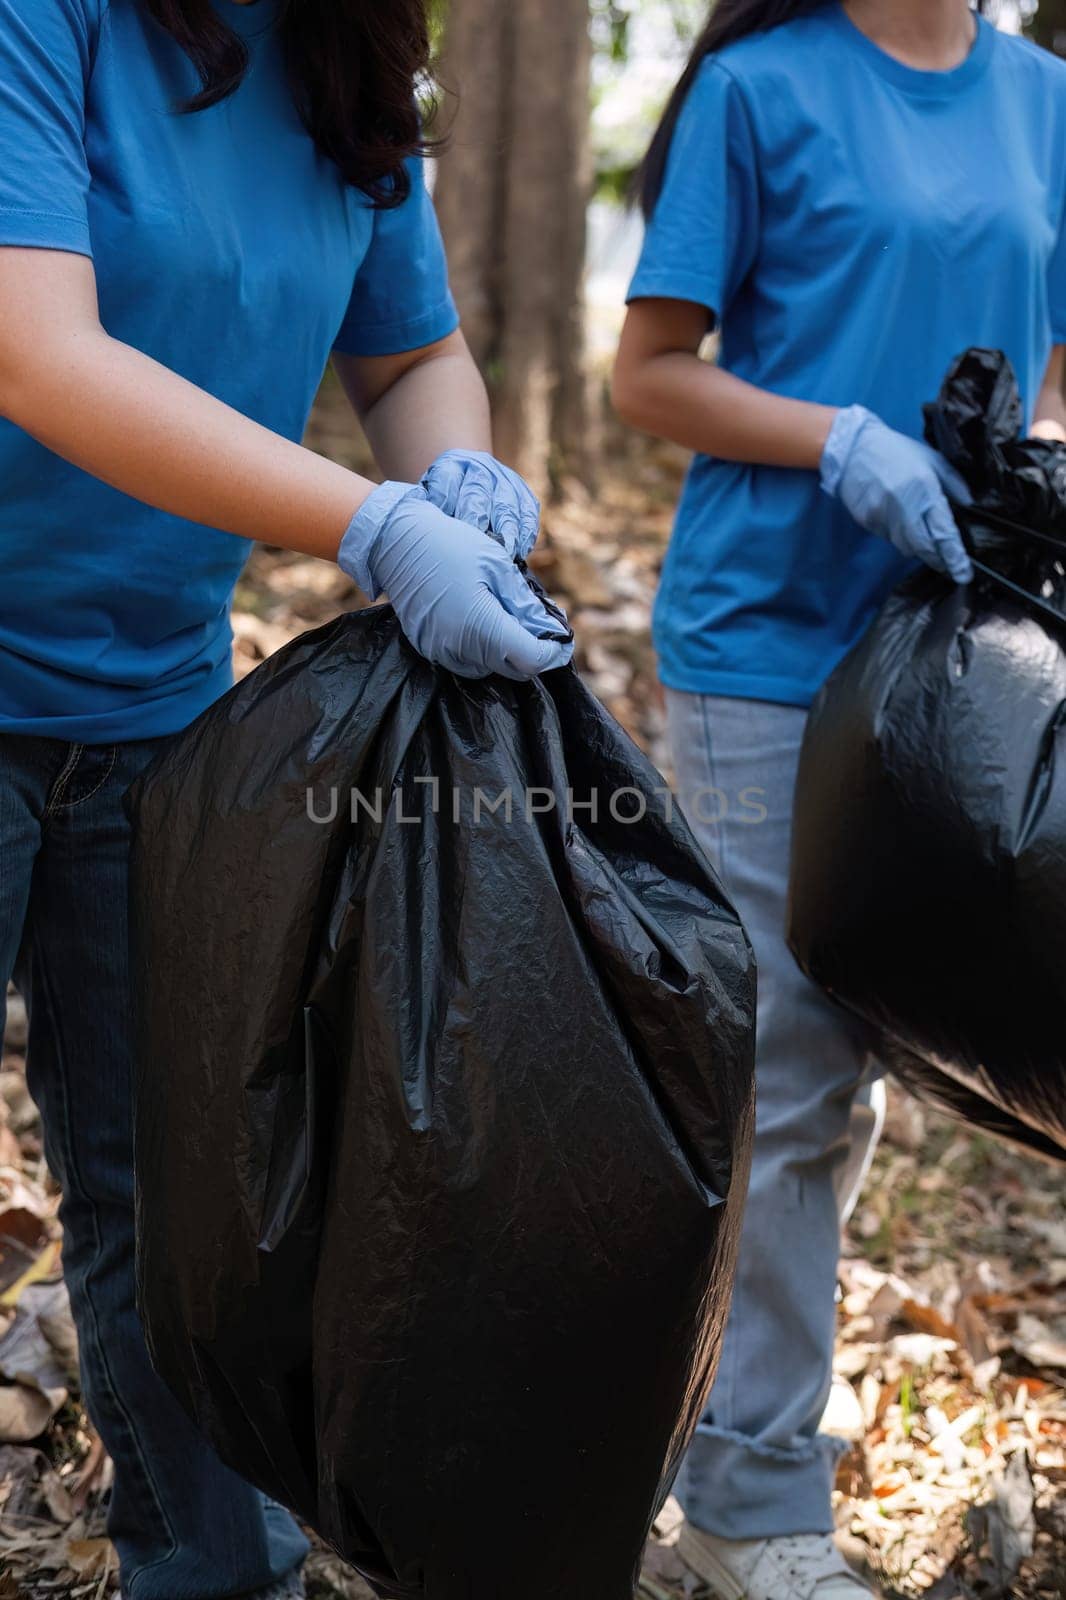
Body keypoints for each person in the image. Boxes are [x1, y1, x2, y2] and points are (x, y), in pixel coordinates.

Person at [0, 1, 569, 1595]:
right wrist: (375, 529)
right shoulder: (48, 23)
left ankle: (211, 1573)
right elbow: (39, 353)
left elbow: (413, 350)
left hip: (156, 703)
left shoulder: (351, 52)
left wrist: (453, 475)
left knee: (177, 1182)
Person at [612, 2, 1066, 1596]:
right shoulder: (754, 90)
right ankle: (744, 1508)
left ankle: (709, 1424)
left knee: (888, 1058)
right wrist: (840, 440)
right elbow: (648, 377)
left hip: (966, 655)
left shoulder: (1043, 97)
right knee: (793, 1067)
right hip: (765, 641)